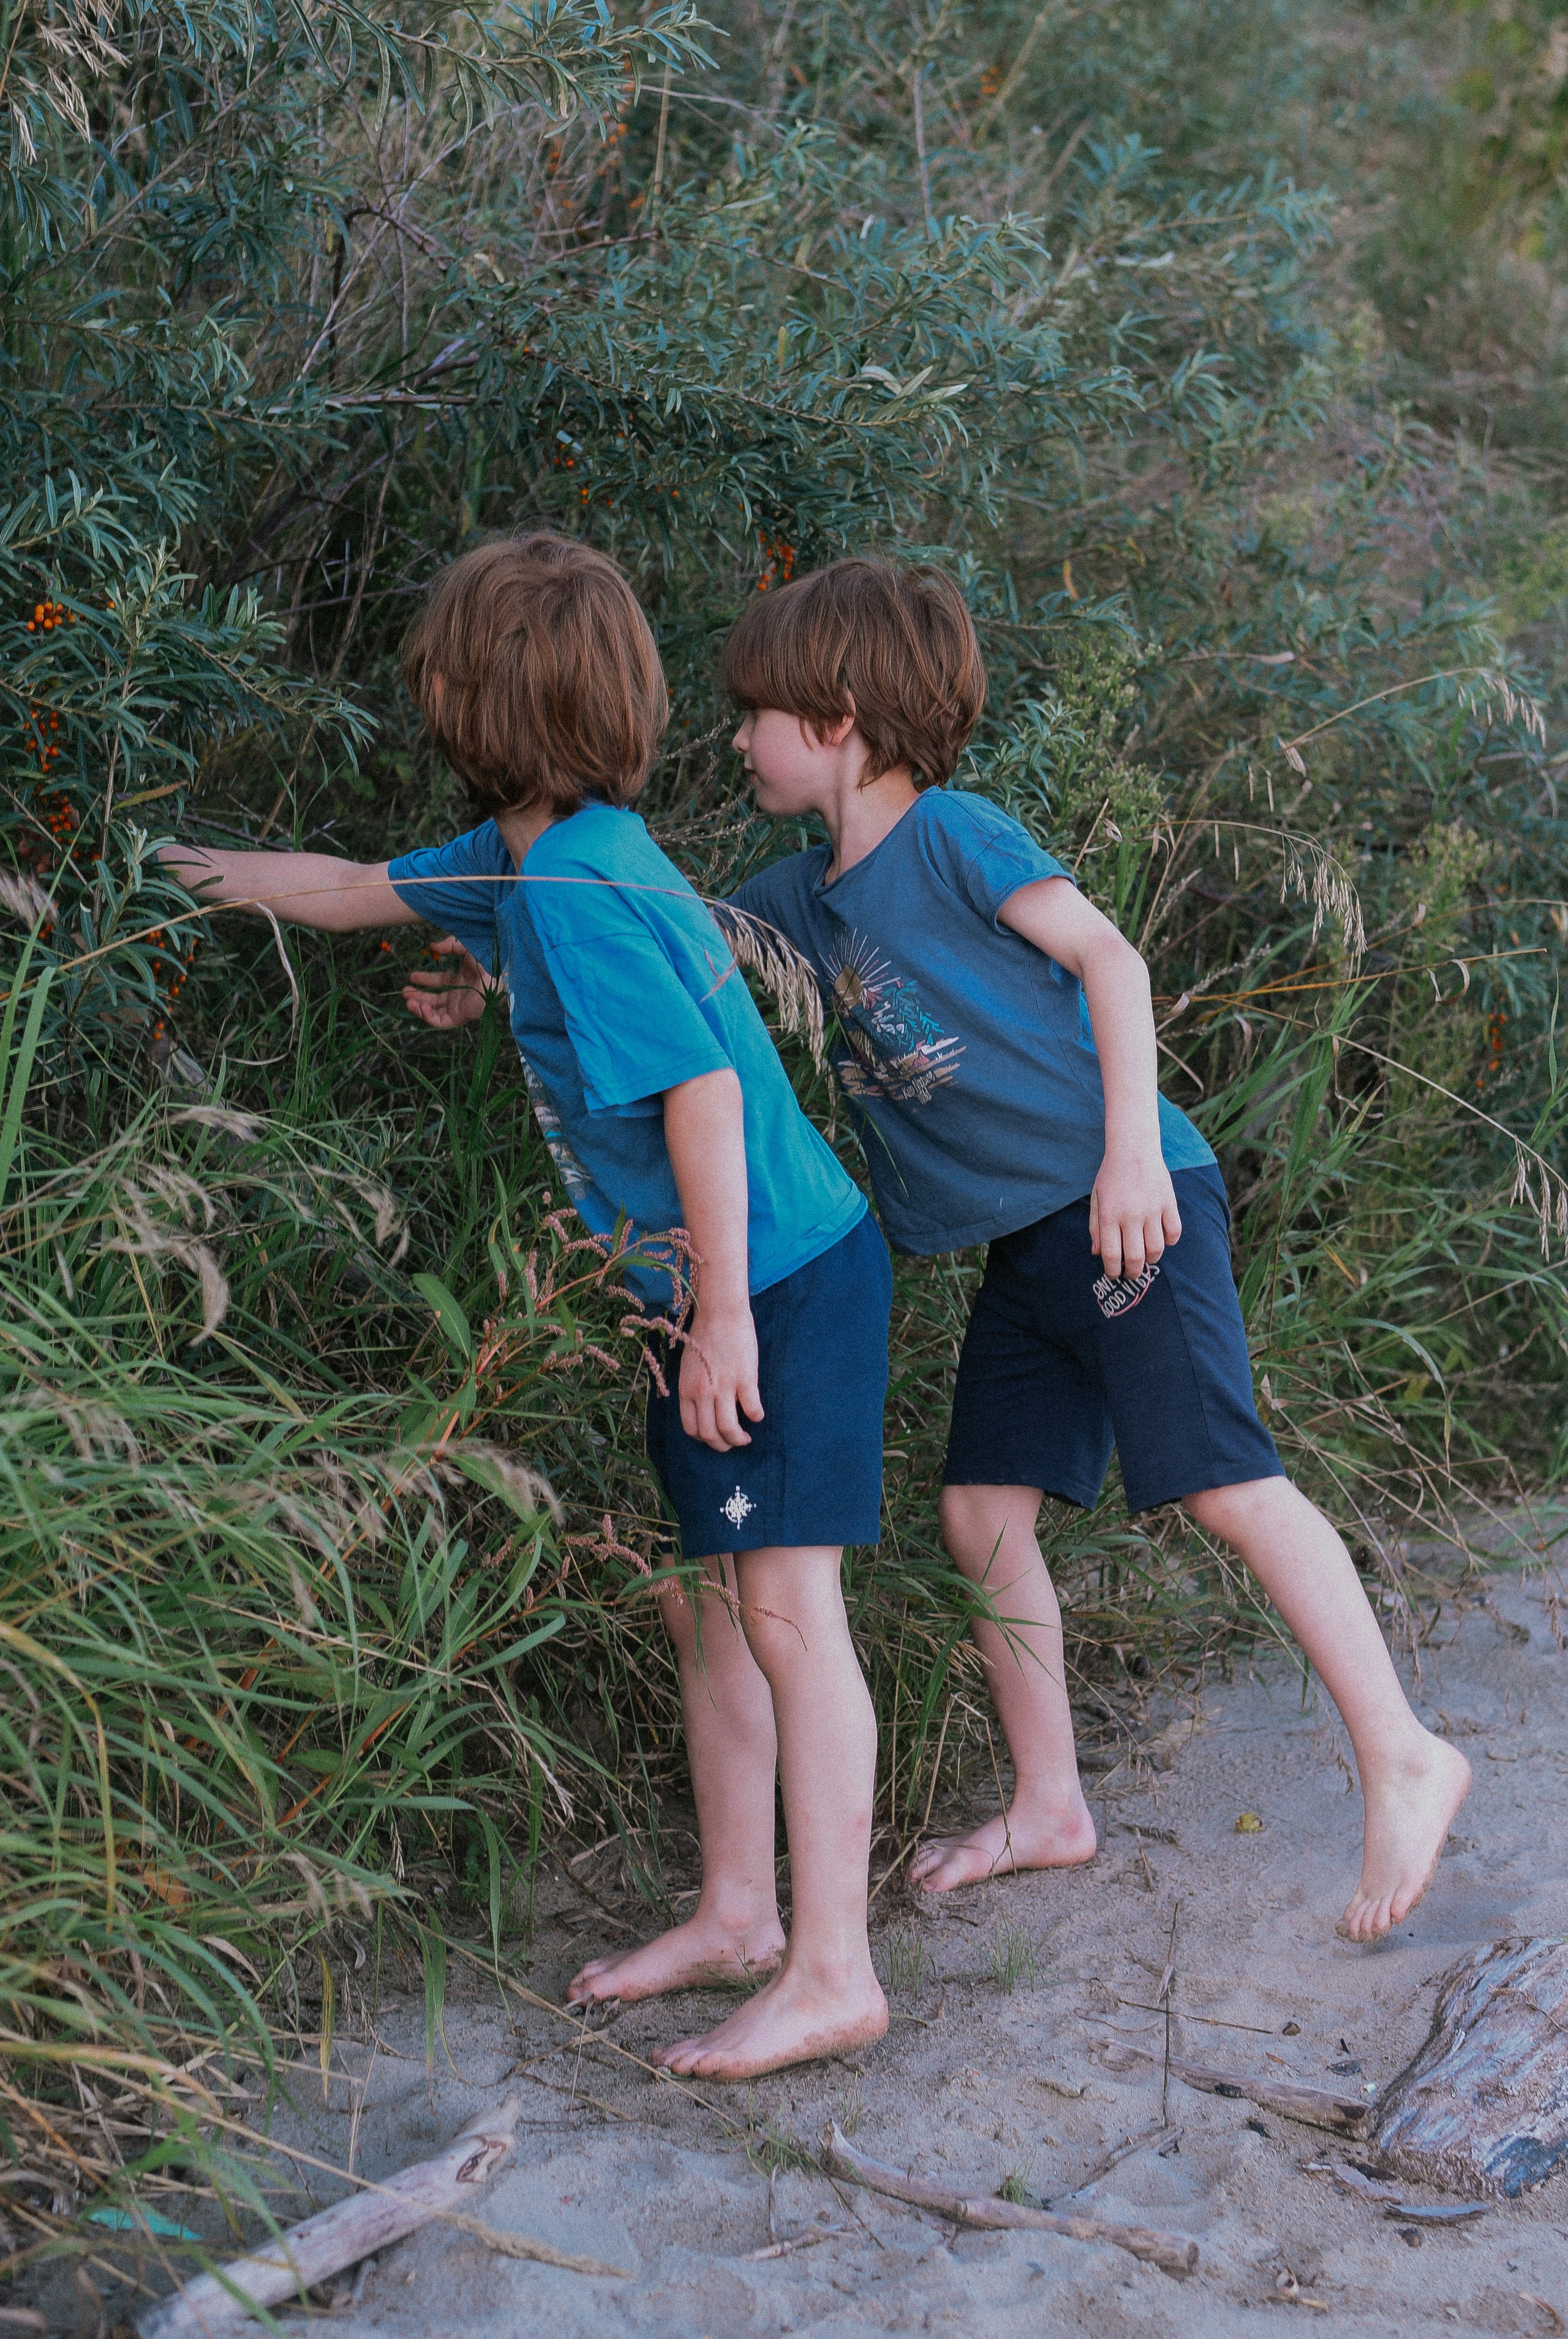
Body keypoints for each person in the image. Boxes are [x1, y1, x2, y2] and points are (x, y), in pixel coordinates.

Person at [160, 532, 894, 2077]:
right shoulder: (539, 856)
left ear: (471, 692)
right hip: (714, 1282)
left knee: (782, 1611)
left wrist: (724, 1318)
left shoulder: (563, 882)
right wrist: (161, 873)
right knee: (709, 1599)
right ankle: (736, 1912)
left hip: (771, 1280)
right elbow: (357, 892)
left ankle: (834, 1967)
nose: (419, 675)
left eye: (434, 658)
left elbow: (700, 1088)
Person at [713, 557, 1470, 1945]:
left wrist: (1130, 1150)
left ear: (836, 713)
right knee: (980, 1510)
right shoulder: (799, 896)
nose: (737, 738)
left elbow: (1108, 962)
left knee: (1222, 1480)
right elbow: (668, 955)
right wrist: (494, 964)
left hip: (1132, 1198)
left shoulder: (953, 835)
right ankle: (1050, 1800)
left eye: (755, 711)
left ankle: (1401, 1745)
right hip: (1028, 1242)